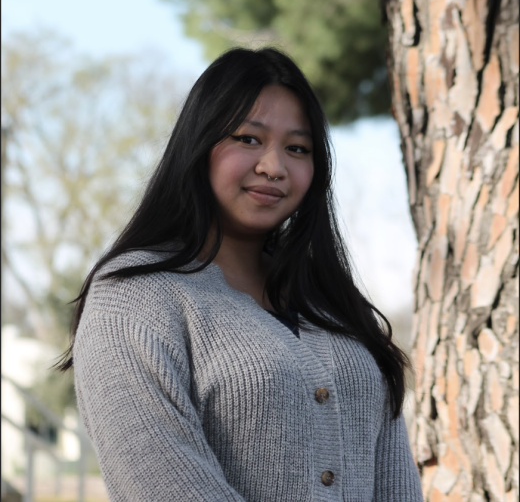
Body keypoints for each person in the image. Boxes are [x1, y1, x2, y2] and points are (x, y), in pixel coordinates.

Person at [57, 47, 424, 501]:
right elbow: (162, 488)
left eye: (297, 148)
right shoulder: (134, 295)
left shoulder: (330, 299)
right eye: (248, 139)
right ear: (199, 145)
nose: (274, 166)